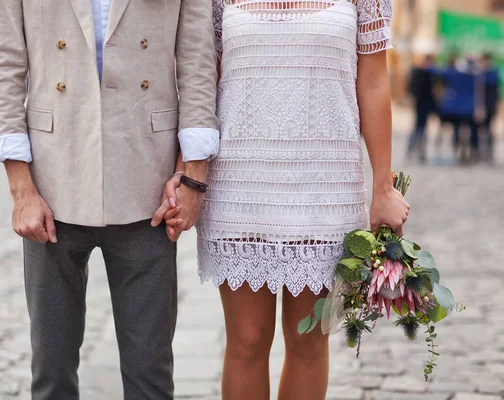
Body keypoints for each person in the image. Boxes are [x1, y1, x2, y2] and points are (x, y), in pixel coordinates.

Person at [156, 1, 409, 399]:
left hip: (326, 188)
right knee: (247, 340)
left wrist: (383, 187)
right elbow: (204, 80)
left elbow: (375, 81)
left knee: (308, 340)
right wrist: (187, 172)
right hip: (240, 187)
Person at [0, 0, 219, 398]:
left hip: (149, 187)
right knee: (51, 369)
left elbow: (197, 65)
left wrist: (193, 177)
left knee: (150, 371)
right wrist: (22, 190)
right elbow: (3, 65)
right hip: (52, 186)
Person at [407, 55, 437, 163]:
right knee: (419, 129)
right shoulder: (421, 73)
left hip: (424, 105)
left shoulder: (425, 73)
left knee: (420, 129)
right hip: (421, 105)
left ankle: (417, 152)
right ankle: (414, 151)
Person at [477, 53, 500, 163]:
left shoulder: (487, 74)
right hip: (484, 106)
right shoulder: (488, 74)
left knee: (487, 129)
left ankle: (488, 153)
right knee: (482, 130)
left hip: (487, 106)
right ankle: (482, 153)